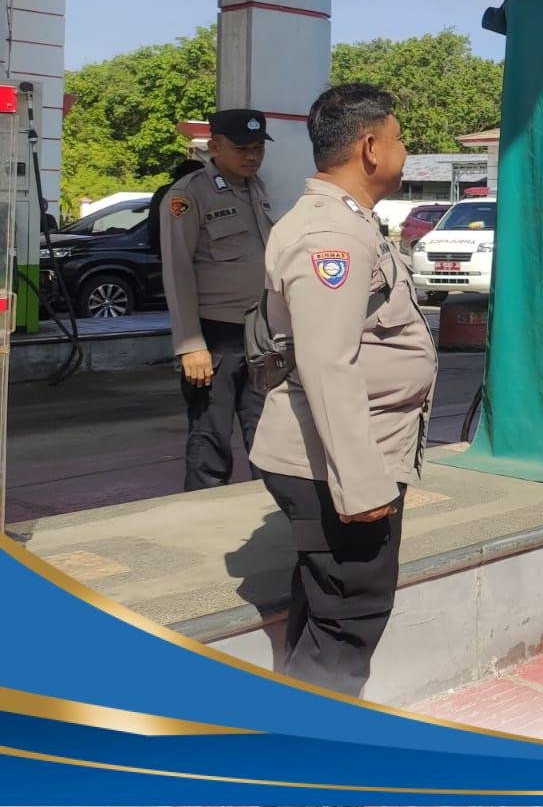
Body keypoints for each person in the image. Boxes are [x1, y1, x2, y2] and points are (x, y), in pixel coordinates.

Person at [249, 84, 436, 696]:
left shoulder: (350, 223)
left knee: (327, 610)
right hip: (339, 463)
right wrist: (361, 484)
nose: (405, 151)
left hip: (347, 453)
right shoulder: (332, 235)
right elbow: (329, 363)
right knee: (347, 624)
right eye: (400, 139)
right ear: (370, 148)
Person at [159, 111, 275, 490]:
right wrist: (190, 344)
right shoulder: (189, 194)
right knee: (211, 437)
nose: (252, 156)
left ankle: (265, 507)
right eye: (242, 149)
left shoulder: (257, 188)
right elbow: (177, 271)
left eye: (258, 148)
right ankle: (202, 512)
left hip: (259, 333)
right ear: (215, 146)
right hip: (214, 337)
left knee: (267, 433)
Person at [148, 158, 205, 260]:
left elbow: (153, 223)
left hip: (165, 250)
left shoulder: (163, 191)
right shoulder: (187, 193)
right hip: (187, 252)